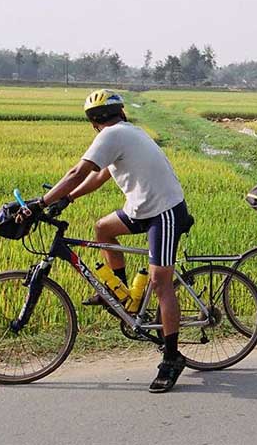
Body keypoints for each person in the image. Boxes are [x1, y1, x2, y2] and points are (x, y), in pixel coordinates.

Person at [16, 90, 189, 393]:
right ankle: (122, 295)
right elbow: (99, 176)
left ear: (94, 122)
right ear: (119, 112)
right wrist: (67, 198)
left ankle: (172, 358)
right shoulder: (125, 132)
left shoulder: (111, 136)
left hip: (165, 211)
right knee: (102, 229)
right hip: (140, 208)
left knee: (161, 283)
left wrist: (40, 203)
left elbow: (77, 172)